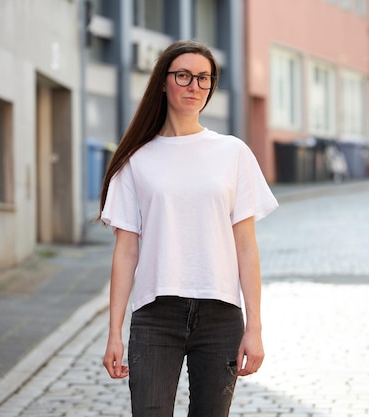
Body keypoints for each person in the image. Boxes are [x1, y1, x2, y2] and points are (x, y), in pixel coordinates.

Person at [98, 39, 278, 417]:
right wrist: (114, 332)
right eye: (183, 76)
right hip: (155, 313)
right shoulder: (137, 159)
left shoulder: (233, 153)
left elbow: (246, 246)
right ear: (163, 82)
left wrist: (255, 327)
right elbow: (126, 250)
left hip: (220, 315)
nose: (194, 86)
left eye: (204, 79)